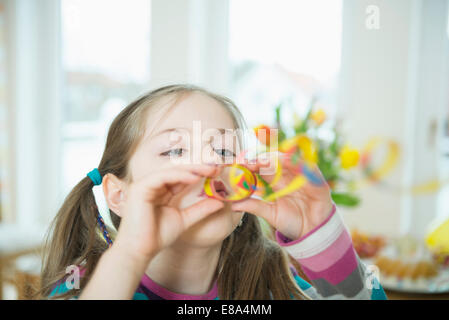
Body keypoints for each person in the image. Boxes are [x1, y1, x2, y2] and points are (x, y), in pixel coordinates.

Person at [39, 84, 387, 300]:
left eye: (223, 151)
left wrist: (321, 234)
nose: (207, 164)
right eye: (174, 150)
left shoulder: (280, 285)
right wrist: (130, 254)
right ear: (119, 195)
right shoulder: (81, 287)